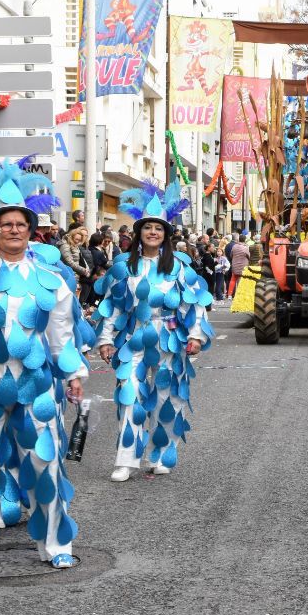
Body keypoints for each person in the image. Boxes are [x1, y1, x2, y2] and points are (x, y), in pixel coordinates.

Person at [0, 166, 90, 569]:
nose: (14, 230)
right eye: (6, 225)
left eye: (21, 224)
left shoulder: (51, 280)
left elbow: (61, 336)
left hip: (35, 385)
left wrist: (73, 376)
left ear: (31, 231)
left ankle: (55, 545)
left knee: (45, 464)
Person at [94, 182, 214, 482]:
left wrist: (196, 335)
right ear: (139, 233)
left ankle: (161, 454)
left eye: (158, 229)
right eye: (147, 227)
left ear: (165, 235)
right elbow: (114, 305)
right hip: (133, 337)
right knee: (128, 395)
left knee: (166, 397)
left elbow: (195, 304)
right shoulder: (124, 267)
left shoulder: (179, 267)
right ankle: (126, 460)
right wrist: (107, 339)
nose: (152, 233)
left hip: (169, 336)